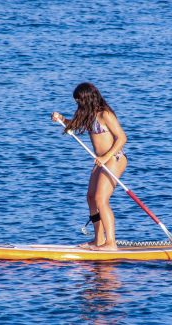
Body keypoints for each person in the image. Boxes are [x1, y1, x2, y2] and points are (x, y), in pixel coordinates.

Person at [52, 82, 128, 251]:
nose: (78, 104)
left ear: (88, 98)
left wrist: (106, 156)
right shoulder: (89, 114)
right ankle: (99, 240)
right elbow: (74, 125)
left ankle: (111, 243)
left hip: (114, 158)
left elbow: (122, 138)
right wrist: (62, 119)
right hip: (100, 160)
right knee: (91, 197)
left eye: (79, 100)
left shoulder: (105, 114)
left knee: (101, 199)